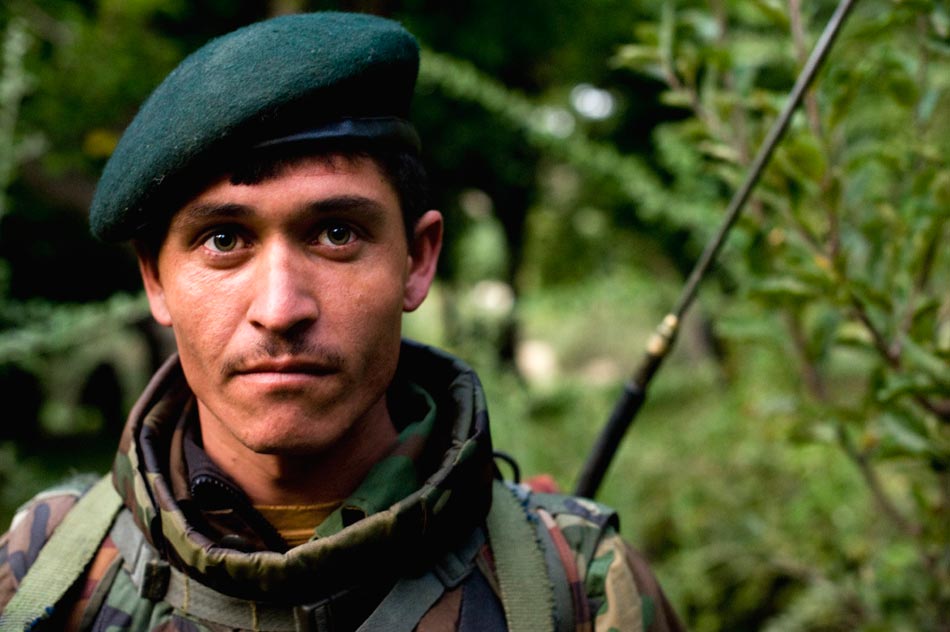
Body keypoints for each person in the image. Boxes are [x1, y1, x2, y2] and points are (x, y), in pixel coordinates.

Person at [0, 12, 684, 632]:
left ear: (417, 261)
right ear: (156, 279)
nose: (279, 309)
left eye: (334, 233)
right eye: (225, 241)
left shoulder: (581, 589)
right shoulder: (46, 575)